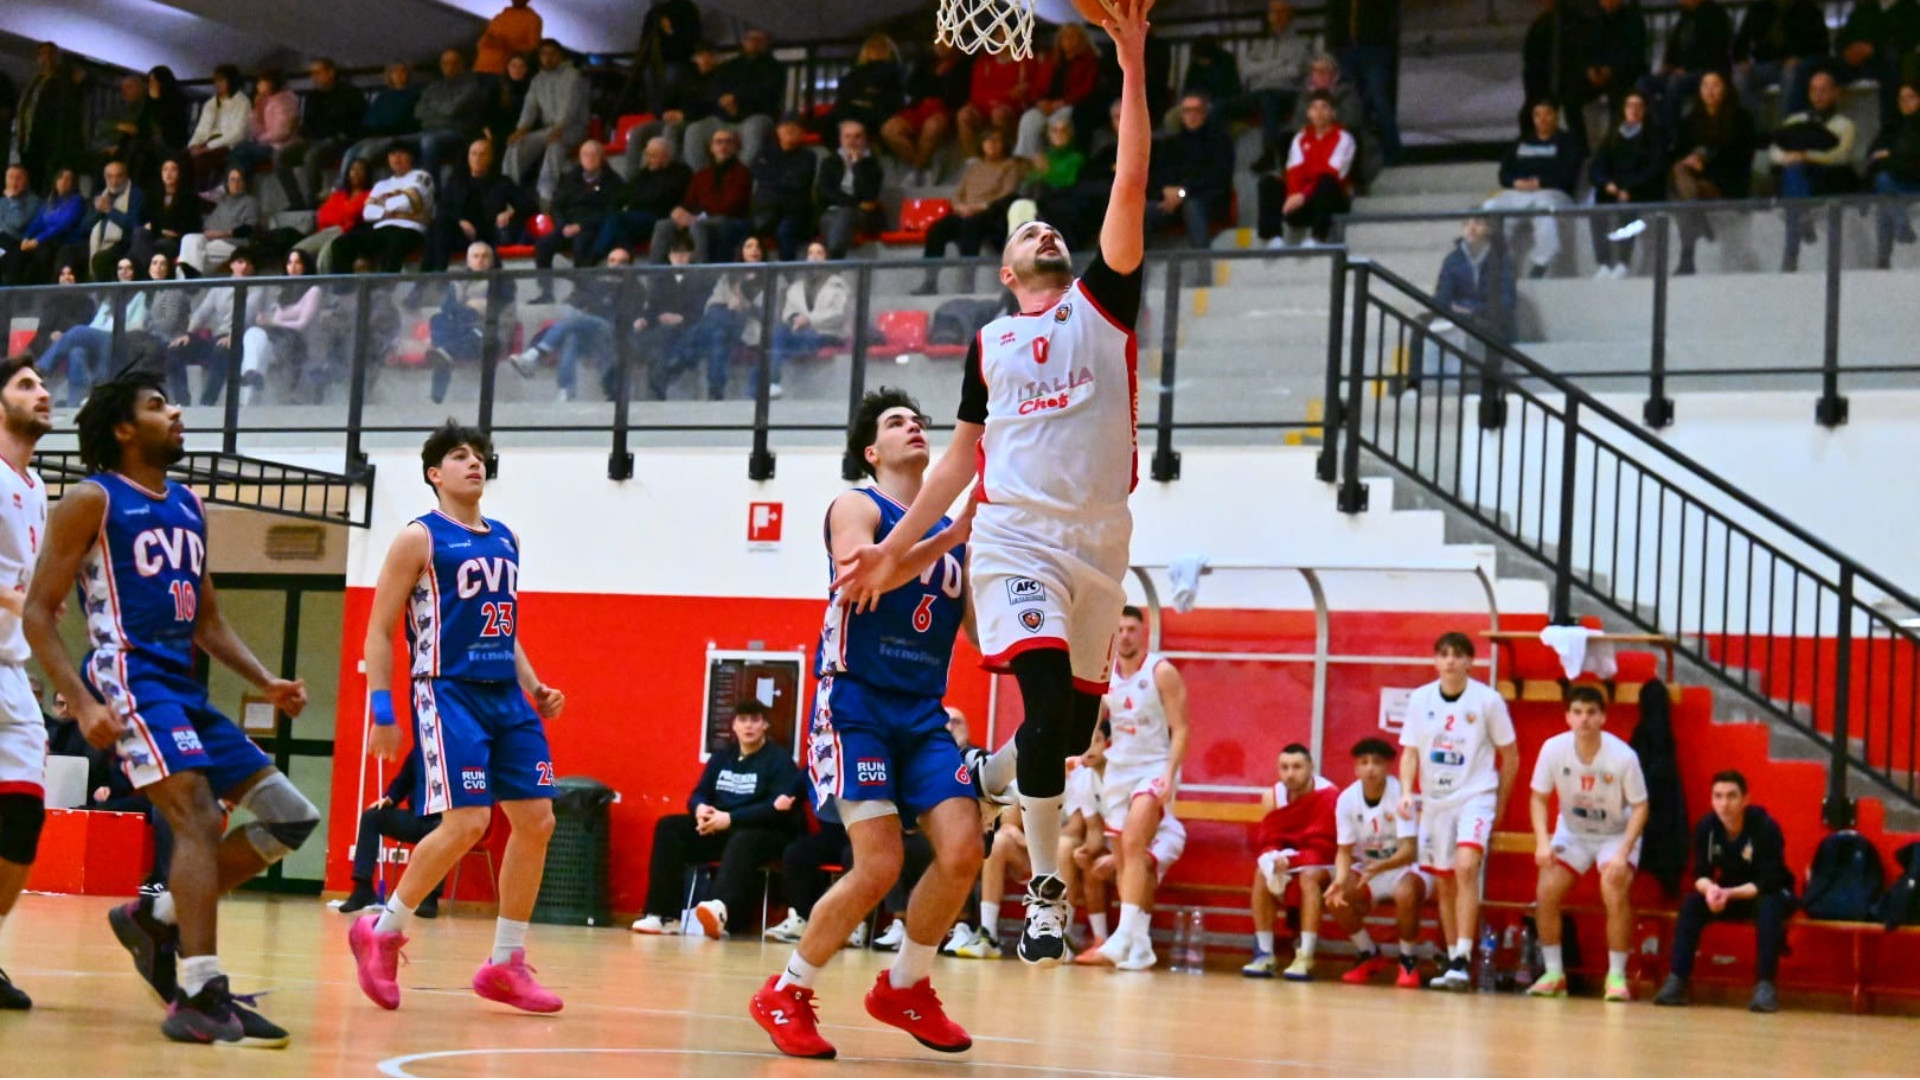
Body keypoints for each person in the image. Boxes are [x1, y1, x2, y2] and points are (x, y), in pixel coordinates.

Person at [831, 0, 1153, 969]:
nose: (1045, 233)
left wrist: (1132, 61)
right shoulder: (990, 343)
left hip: (1100, 541)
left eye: (1053, 230)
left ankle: (989, 770)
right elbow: (958, 461)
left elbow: (1131, 179)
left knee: (1071, 731)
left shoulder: (1103, 304)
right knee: (1047, 700)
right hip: (1015, 539)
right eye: (1029, 236)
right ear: (1009, 271)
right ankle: (1046, 898)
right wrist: (894, 548)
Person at [23, 371, 319, 1046]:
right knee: (199, 816)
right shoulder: (93, 499)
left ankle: (155, 917)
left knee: (292, 816)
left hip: (183, 686)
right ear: (125, 429)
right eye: (159, 405)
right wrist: (81, 702)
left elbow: (207, 620)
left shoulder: (188, 504)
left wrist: (267, 680)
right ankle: (199, 990)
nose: (177, 412)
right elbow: (39, 612)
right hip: (128, 678)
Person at [749, 388, 979, 1060]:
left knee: (964, 850)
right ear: (872, 451)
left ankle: (905, 985)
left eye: (919, 420)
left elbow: (984, 637)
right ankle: (786, 990)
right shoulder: (859, 505)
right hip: (856, 702)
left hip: (923, 712)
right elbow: (863, 579)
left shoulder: (954, 537)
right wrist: (951, 536)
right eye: (896, 422)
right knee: (877, 864)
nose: (914, 426)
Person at [348, 421, 566, 1015]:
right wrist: (383, 711)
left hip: (505, 695)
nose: (475, 463)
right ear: (434, 473)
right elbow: (378, 632)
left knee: (538, 820)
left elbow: (504, 626)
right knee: (468, 822)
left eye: (480, 456)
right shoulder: (418, 538)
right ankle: (382, 931)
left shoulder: (507, 539)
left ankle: (505, 964)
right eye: (460, 456)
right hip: (446, 691)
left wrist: (534, 685)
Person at [1397, 630, 1518, 991]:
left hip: (1475, 795)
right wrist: (1406, 792)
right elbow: (1409, 752)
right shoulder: (1420, 699)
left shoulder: (1488, 701)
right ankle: (1454, 961)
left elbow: (1510, 756)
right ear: (1435, 660)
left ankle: (1465, 955)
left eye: (1458, 654)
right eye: (1444, 653)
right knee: (1445, 880)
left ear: (1470, 661)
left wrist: (1500, 802)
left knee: (1466, 867)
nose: (1450, 660)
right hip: (1435, 801)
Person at [633, 699, 804, 937]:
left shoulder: (779, 760)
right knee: (669, 827)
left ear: (765, 725)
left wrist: (731, 818)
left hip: (763, 833)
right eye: (743, 720)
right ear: (733, 725)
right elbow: (699, 793)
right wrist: (701, 809)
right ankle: (664, 916)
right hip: (721, 827)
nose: (748, 726)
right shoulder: (722, 757)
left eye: (755, 720)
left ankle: (720, 910)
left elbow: (777, 809)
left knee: (743, 839)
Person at [1525, 684, 1649, 1001]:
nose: (1584, 719)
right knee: (1546, 889)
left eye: (1591, 713)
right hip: (1574, 831)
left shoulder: (1623, 756)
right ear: (1567, 717)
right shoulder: (1553, 749)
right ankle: (1554, 974)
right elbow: (1538, 798)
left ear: (1603, 717)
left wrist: (1623, 853)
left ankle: (1616, 977)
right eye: (1577, 712)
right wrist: (1542, 842)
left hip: (1616, 833)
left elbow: (1641, 807)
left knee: (1613, 886)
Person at [1086, 605, 1188, 969]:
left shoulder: (1161, 671)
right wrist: (1080, 751)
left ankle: (1124, 934)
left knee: (1133, 843)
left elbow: (1182, 728)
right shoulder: (1104, 672)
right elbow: (1093, 720)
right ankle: (1141, 945)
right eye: (1120, 629)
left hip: (1153, 766)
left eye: (1131, 628)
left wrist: (1170, 774)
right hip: (1118, 770)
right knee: (1126, 858)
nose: (1125, 635)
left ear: (1142, 632)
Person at [1653, 770, 1793, 1013]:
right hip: (1729, 892)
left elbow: (1767, 881)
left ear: (1746, 799)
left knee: (1769, 906)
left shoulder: (1765, 827)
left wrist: (1728, 893)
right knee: (1692, 903)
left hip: (1766, 892)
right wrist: (1711, 890)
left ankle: (1765, 987)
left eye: (1731, 796)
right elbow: (1700, 874)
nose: (1724, 804)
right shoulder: (1706, 827)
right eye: (1717, 796)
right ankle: (1677, 980)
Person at [0, 359, 51, 1010]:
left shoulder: (35, 486)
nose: (43, 393)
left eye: (42, 384)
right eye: (25, 385)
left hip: (10, 670)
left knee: (22, 818)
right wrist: (20, 600)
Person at [1326, 737, 1429, 986]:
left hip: (1405, 868)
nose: (1370, 768)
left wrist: (1380, 867)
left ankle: (1407, 959)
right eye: (1364, 762)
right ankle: (1368, 953)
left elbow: (1409, 851)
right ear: (1356, 769)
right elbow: (1344, 851)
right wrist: (1340, 879)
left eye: (1377, 762)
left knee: (1406, 893)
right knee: (1335, 897)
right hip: (1370, 869)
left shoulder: (1400, 795)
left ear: (1388, 767)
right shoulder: (1346, 799)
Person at [1242, 744, 1338, 979]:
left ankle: (1305, 955)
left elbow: (1326, 847)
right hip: (1288, 860)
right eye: (1284, 768)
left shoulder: (1329, 794)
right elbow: (1269, 838)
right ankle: (1264, 953)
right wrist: (1272, 857)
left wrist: (1291, 860)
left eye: (1297, 767)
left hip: (1323, 864)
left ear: (1311, 767)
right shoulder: (1272, 796)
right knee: (1262, 872)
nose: (1290, 773)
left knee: (1308, 877)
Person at [336, 746, 444, 917]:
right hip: (416, 817)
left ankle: (430, 897)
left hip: (444, 820)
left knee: (442, 830)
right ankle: (362, 888)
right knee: (371, 817)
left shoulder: (460, 749)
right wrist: (390, 798)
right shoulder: (422, 748)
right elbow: (403, 780)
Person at [912, 130, 1023, 295]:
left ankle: (967, 281)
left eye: (996, 141)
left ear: (1004, 144)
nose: (991, 144)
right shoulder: (974, 167)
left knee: (971, 226)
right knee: (938, 228)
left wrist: (979, 207)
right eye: (988, 140)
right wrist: (960, 207)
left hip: (991, 213)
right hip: (965, 211)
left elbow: (1007, 194)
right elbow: (958, 193)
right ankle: (930, 281)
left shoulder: (1010, 166)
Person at [1484, 100, 1583, 279]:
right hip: (1519, 191)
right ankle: (1499, 260)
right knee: (1491, 206)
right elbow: (1504, 173)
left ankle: (1542, 261)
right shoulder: (1523, 141)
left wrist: (1541, 183)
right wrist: (1516, 183)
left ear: (1556, 116)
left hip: (1551, 192)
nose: (1542, 119)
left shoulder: (1567, 142)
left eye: (1547, 114)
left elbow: (1569, 174)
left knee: (1544, 212)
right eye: (1538, 115)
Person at [1669, 70, 1756, 274]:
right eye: (1705, 85)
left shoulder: (1741, 119)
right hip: (1695, 184)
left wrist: (1705, 163)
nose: (1710, 91)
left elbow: (1742, 157)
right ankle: (1697, 216)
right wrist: (1689, 160)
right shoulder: (1690, 121)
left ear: (1725, 89)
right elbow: (1679, 153)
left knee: (1684, 201)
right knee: (1679, 172)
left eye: (1715, 85)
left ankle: (1687, 256)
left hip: (1726, 183)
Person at [1773, 70, 1859, 272]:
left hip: (1829, 178)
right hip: (1798, 176)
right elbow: (1775, 150)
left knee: (1794, 187)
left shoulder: (1845, 124)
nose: (1818, 95)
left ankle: (1790, 258)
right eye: (1814, 90)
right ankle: (1802, 218)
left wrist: (1807, 156)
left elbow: (1841, 155)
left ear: (1835, 93)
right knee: (1793, 173)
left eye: (1824, 90)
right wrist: (1788, 158)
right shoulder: (1795, 120)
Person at [423, 242, 517, 404]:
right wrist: (469, 307)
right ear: (468, 261)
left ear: (492, 260)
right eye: (476, 256)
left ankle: (444, 352)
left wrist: (467, 310)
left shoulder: (502, 281)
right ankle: (437, 393)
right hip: (461, 333)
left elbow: (494, 308)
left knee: (448, 347)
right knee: (437, 319)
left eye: (485, 256)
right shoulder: (458, 282)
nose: (480, 260)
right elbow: (447, 309)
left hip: (488, 335)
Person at [1260, 89, 1354, 247]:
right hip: (1302, 201)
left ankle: (1318, 238)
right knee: (1269, 182)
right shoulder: (1301, 137)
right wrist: (1293, 194)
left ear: (1333, 113)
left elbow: (1332, 171)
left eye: (1324, 107)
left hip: (1331, 202)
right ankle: (1274, 238)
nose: (1319, 113)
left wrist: (1303, 195)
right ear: (1308, 113)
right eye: (1314, 108)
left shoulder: (1344, 138)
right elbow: (1294, 169)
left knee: (1326, 181)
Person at [1586, 90, 1664, 277]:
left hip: (1640, 190)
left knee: (1628, 208)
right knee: (1596, 210)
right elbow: (1596, 166)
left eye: (1638, 106)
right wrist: (1606, 184)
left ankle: (1623, 262)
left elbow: (1654, 169)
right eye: (1630, 105)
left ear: (1645, 110)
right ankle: (1604, 263)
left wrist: (1630, 188)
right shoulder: (1613, 135)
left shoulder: (1652, 137)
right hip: (1613, 189)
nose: (1634, 110)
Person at [503, 40, 591, 207]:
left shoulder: (573, 76)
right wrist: (520, 129)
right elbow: (530, 107)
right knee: (516, 145)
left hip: (573, 127)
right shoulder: (537, 80)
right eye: (543, 54)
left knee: (555, 145)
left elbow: (569, 108)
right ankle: (508, 191)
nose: (547, 58)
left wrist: (559, 128)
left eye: (552, 54)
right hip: (549, 129)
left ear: (560, 56)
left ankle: (546, 197)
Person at [683, 29, 784, 170]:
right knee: (694, 131)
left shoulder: (775, 68)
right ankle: (703, 176)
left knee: (754, 131)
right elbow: (713, 89)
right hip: (722, 117)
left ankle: (738, 175)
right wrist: (723, 101)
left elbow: (768, 94)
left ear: (766, 43)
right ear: (744, 42)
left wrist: (737, 101)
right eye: (750, 39)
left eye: (759, 40)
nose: (754, 43)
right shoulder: (729, 66)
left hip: (754, 115)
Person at [1146, 91, 1235, 250]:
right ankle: (1134, 264)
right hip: (1173, 203)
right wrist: (1165, 190)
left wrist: (1183, 192)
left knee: (1192, 206)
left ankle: (1202, 262)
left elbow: (1217, 177)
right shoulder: (1171, 144)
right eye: (1187, 111)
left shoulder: (1220, 141)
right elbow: (1159, 175)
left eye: (1196, 110)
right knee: (1140, 211)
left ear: (1205, 113)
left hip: (1208, 201)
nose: (1191, 115)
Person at [649, 128, 752, 264]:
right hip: (702, 218)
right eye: (718, 142)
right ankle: (656, 273)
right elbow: (689, 201)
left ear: (735, 147)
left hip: (731, 220)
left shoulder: (742, 173)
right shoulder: (702, 174)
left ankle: (699, 273)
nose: (723, 146)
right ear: (711, 147)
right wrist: (679, 211)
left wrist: (696, 217)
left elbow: (730, 206)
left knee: (697, 225)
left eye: (728, 142)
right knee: (663, 225)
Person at [427, 139, 528, 272]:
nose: (477, 158)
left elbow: (527, 205)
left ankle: (435, 274)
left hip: (490, 234)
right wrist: (459, 221)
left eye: (482, 154)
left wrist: (509, 213)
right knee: (439, 224)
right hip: (463, 235)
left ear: (490, 158)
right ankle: (433, 274)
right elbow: (442, 208)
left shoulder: (503, 182)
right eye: (474, 154)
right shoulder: (456, 182)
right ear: (468, 157)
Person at [1240, 0, 1316, 171]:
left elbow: (1294, 71)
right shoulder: (1260, 43)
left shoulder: (1301, 43)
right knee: (1219, 107)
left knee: (1269, 99)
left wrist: (1263, 69)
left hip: (1286, 93)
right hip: (1257, 93)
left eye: (1282, 12)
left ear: (1290, 16)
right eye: (1273, 12)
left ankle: (1269, 153)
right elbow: (1246, 70)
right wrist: (1278, 63)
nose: (1277, 16)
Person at [767, 242, 850, 398]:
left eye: (819, 253)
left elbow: (838, 314)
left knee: (794, 341)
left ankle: (778, 376)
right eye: (811, 253)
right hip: (801, 332)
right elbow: (787, 312)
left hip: (828, 333)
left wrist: (809, 320)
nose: (814, 257)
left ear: (826, 258)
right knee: (778, 333)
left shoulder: (838, 284)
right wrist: (795, 318)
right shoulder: (796, 286)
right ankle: (773, 382)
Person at [1326, 0, 1402, 164]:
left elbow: (1390, 15)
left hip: (1374, 48)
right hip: (1345, 49)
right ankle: (1355, 156)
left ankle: (1392, 153)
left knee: (1379, 99)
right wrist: (1332, 45)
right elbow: (1332, 16)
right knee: (1351, 103)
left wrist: (1385, 42)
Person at [883, 43, 971, 184]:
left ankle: (918, 170)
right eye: (938, 41)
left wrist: (942, 78)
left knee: (933, 126)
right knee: (889, 129)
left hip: (946, 109)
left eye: (946, 41)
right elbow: (912, 89)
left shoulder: (964, 65)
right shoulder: (925, 63)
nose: (941, 46)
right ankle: (921, 165)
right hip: (919, 108)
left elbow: (956, 95)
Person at [285, 59, 364, 212]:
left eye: (318, 72)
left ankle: (313, 202)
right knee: (281, 156)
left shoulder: (349, 93)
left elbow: (357, 121)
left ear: (331, 72)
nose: (314, 77)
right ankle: (295, 201)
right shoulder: (313, 97)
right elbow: (308, 124)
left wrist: (342, 134)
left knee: (312, 156)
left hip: (340, 139)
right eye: (312, 74)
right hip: (314, 139)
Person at [341, 144, 434, 273]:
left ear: (411, 157)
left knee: (393, 245)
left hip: (409, 228)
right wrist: (393, 208)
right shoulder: (381, 184)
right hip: (381, 229)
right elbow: (367, 213)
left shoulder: (421, 176)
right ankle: (341, 286)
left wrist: (380, 203)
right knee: (341, 244)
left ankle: (386, 285)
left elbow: (407, 203)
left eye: (401, 154)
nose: (397, 158)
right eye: (392, 154)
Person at [1014, 24, 1101, 158]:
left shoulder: (1089, 61)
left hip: (1071, 105)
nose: (1068, 40)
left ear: (1081, 39)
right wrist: (1039, 102)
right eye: (1064, 36)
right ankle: (1026, 160)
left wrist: (1061, 103)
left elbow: (1086, 89)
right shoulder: (1050, 59)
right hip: (1046, 104)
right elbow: (1038, 85)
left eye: (1072, 36)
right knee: (1029, 120)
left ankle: (1053, 160)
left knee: (1057, 122)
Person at [1732, 0, 1828, 118]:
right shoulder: (1759, 9)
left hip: (1797, 66)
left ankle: (1785, 125)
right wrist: (1742, 60)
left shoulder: (1809, 10)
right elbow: (1741, 42)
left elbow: (1821, 46)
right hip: (1765, 65)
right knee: (1739, 76)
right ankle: (1753, 126)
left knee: (1790, 74)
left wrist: (1799, 57)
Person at [414, 49, 494, 184]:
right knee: (397, 143)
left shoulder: (471, 85)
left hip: (458, 132)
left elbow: (451, 109)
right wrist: (441, 111)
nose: (449, 66)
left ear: (462, 64)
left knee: (428, 142)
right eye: (445, 63)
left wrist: (432, 105)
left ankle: (432, 190)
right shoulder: (435, 86)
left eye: (454, 63)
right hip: (430, 131)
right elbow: (418, 112)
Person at [605, 137, 691, 258]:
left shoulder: (680, 173)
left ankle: (598, 254)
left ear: (666, 156)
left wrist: (633, 203)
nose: (648, 159)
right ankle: (621, 255)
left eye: (653, 155)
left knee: (617, 220)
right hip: (637, 214)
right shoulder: (645, 173)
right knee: (608, 218)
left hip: (659, 215)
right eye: (647, 154)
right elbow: (623, 194)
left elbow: (658, 198)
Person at [751, 117, 819, 262]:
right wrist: (783, 180)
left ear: (802, 133)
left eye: (794, 126)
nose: (789, 129)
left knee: (785, 231)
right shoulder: (764, 154)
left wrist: (777, 181)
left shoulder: (808, 156)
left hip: (795, 212)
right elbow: (762, 178)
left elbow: (799, 184)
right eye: (785, 126)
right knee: (747, 231)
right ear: (777, 131)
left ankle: (788, 273)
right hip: (767, 210)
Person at [817, 120, 884, 260]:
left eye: (857, 136)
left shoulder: (872, 165)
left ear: (865, 139)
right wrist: (854, 203)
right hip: (834, 210)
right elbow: (825, 191)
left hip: (863, 215)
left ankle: (834, 261)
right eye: (847, 136)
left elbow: (869, 195)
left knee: (845, 215)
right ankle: (834, 261)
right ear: (841, 139)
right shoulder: (830, 162)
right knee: (830, 221)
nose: (852, 141)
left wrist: (857, 165)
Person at [1870, 82, 1920, 269]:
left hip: (1914, 181)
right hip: (1898, 182)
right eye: (1902, 98)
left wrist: (1890, 157)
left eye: (1910, 97)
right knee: (1885, 198)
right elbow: (1873, 155)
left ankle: (1885, 255)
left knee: (1885, 191)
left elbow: (1914, 160)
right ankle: (1885, 256)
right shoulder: (1893, 126)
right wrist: (1891, 159)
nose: (1905, 102)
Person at [827, 35, 906, 147]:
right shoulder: (858, 70)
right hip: (853, 107)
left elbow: (892, 95)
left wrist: (868, 95)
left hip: (878, 110)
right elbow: (845, 87)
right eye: (873, 48)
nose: (876, 51)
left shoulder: (893, 70)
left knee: (853, 118)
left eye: (881, 47)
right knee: (834, 119)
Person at [178, 167, 258, 277]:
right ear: (227, 183)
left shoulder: (250, 201)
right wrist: (207, 232)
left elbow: (249, 228)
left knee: (192, 258)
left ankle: (190, 280)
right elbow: (209, 224)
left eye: (239, 180)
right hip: (212, 240)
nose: (235, 183)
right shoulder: (224, 201)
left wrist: (223, 233)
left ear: (244, 183)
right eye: (232, 179)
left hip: (233, 243)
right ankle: (190, 275)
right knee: (189, 238)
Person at [629, 0, 704, 115]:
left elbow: (694, 38)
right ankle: (657, 114)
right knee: (648, 74)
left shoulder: (687, 9)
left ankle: (672, 112)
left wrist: (670, 31)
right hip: (657, 62)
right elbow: (645, 40)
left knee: (672, 74)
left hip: (681, 59)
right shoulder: (654, 14)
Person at [185, 65, 250, 191]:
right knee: (183, 158)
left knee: (201, 161)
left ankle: (201, 193)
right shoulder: (210, 103)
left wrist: (207, 148)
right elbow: (201, 129)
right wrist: (193, 145)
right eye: (216, 80)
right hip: (207, 143)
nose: (217, 84)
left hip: (228, 145)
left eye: (221, 80)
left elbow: (238, 133)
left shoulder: (242, 102)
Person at [132, 158, 202, 269]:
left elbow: (191, 225)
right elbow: (143, 220)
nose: (168, 173)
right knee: (139, 234)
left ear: (180, 173)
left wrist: (157, 227)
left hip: (176, 240)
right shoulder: (152, 195)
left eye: (173, 169)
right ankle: (148, 273)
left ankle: (150, 273)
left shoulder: (189, 198)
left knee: (162, 245)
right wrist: (158, 228)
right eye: (165, 169)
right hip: (154, 235)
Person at [476, 0, 544, 78]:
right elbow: (485, 38)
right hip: (479, 67)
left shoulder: (533, 19)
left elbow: (532, 48)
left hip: (502, 72)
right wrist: (486, 42)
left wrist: (505, 44)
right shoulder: (500, 16)